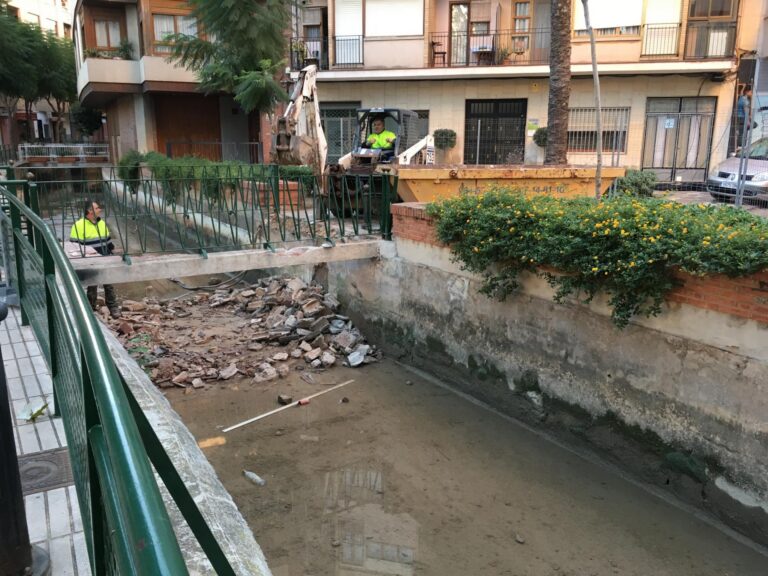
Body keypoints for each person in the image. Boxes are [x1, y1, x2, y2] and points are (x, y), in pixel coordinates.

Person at [69, 199, 121, 319]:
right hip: (90, 261)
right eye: (97, 208)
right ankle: (90, 308)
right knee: (92, 285)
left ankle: (113, 308)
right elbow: (74, 247)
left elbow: (108, 242)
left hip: (104, 258)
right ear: (90, 211)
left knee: (108, 284)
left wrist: (115, 254)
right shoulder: (78, 225)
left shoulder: (101, 223)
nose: (100, 209)